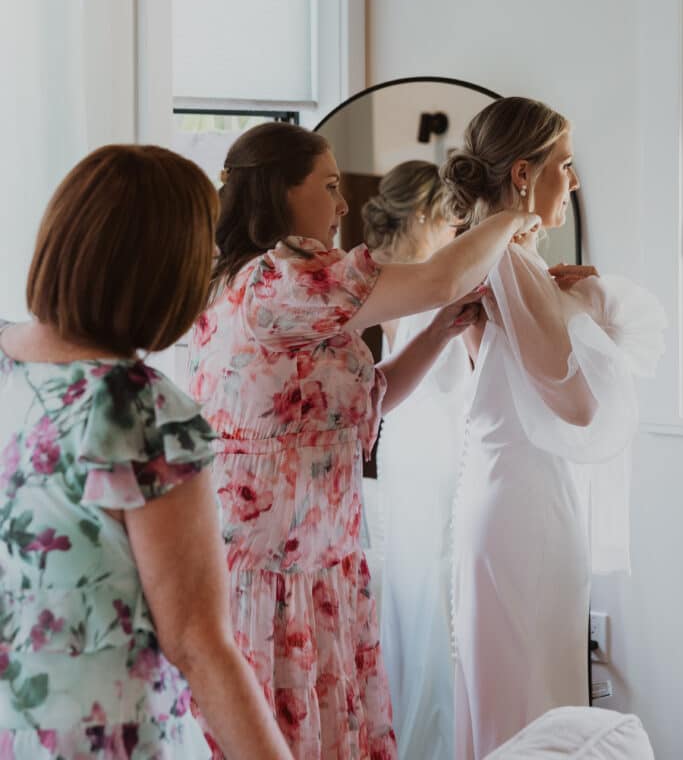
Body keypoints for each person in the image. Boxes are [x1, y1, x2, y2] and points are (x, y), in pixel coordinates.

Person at [188, 122, 539, 760]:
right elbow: (438, 276)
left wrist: (439, 332)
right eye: (328, 186)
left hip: (325, 564)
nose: (345, 203)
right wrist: (516, 214)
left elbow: (357, 401)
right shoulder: (278, 282)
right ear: (280, 194)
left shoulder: (271, 288)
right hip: (276, 578)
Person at [0, 145, 292, 760]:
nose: (213, 261)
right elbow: (197, 640)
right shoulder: (141, 412)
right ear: (161, 269)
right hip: (109, 740)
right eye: (205, 249)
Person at [442, 98, 665, 760]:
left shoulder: (502, 260)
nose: (572, 182)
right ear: (520, 174)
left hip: (512, 498)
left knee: (522, 701)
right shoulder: (507, 261)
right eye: (563, 165)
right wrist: (589, 312)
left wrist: (575, 302)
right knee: (533, 710)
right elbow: (575, 405)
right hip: (523, 510)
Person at [361, 161, 475, 760]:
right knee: (428, 584)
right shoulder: (433, 282)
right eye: (454, 214)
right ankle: (434, 738)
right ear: (431, 213)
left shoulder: (397, 277)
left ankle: (419, 732)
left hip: (413, 448)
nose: (461, 225)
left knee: (423, 586)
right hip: (428, 458)